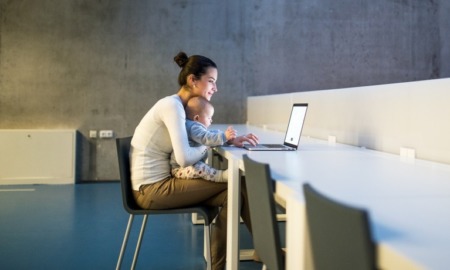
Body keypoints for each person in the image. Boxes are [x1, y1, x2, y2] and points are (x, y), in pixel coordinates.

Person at [130, 51, 259, 270]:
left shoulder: (177, 106)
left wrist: (228, 141)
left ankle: (256, 251)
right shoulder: (172, 107)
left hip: (156, 185)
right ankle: (262, 251)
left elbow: (197, 137)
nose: (215, 88)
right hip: (150, 190)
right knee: (238, 188)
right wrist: (216, 142)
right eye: (211, 81)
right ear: (192, 80)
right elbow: (184, 158)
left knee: (236, 191)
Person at [170, 96, 236, 182]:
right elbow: (206, 137)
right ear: (197, 118)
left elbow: (209, 134)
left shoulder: (191, 125)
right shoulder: (194, 127)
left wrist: (226, 139)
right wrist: (224, 136)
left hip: (186, 166)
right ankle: (221, 176)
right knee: (200, 168)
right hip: (180, 169)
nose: (211, 120)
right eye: (209, 117)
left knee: (200, 166)